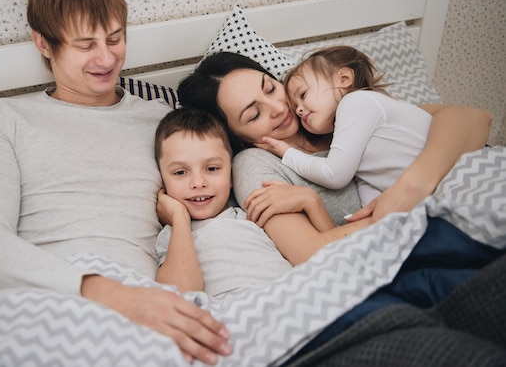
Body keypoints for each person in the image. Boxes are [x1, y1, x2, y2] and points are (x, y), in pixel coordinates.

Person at [0, 0, 231, 365]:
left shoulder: (160, 120)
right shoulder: (4, 119)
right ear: (44, 44)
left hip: (146, 304)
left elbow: (221, 172)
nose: (106, 59)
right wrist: (115, 295)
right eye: (85, 45)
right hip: (42, 299)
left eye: (115, 38)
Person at [177, 51, 492, 265]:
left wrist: (410, 189)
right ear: (236, 136)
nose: (278, 108)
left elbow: (473, 120)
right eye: (255, 113)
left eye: (271, 88)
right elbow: (311, 253)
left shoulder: (336, 110)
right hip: (422, 249)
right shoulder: (257, 166)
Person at [154, 107, 315, 297]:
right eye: (180, 172)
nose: (198, 183)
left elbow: (320, 257)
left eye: (212, 168)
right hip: (232, 314)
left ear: (231, 176)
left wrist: (311, 201)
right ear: (162, 180)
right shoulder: (173, 237)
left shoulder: (253, 213)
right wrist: (179, 218)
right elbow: (181, 294)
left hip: (291, 299)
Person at [257, 45, 433, 207]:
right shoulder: (356, 143)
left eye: (303, 94)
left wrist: (287, 153)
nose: (300, 110)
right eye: (296, 109)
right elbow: (371, 187)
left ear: (344, 78)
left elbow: (334, 175)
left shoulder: (356, 102)